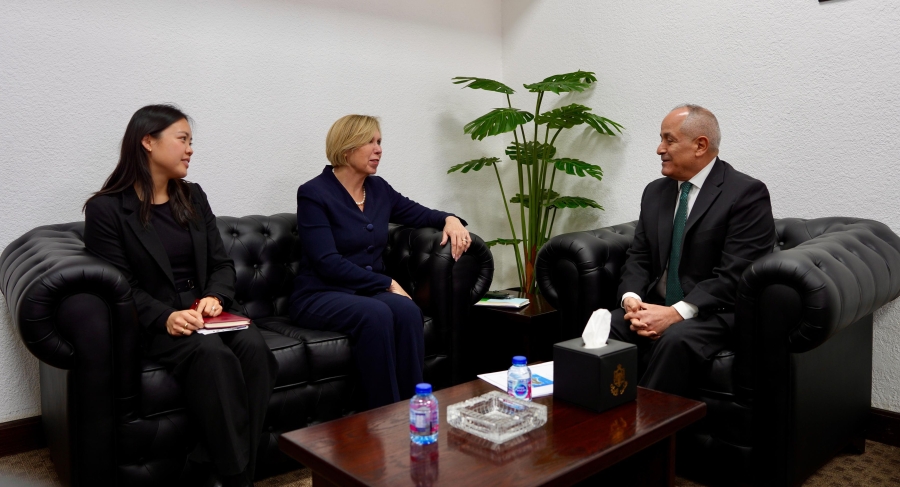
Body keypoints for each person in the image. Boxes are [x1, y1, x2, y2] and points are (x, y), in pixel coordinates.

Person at [83, 104, 278, 487]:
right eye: (182, 139)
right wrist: (166, 317)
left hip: (208, 312)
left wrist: (216, 297)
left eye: (191, 140)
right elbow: (122, 287)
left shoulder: (193, 196)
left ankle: (208, 462)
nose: (190, 149)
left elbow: (221, 264)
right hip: (157, 321)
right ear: (148, 141)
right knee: (213, 357)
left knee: (255, 350)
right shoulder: (107, 209)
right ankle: (239, 480)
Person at [289, 114, 471, 409]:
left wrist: (451, 219)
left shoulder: (378, 189)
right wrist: (386, 282)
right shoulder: (314, 193)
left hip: (365, 291)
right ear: (346, 148)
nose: (379, 149)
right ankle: (382, 417)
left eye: (380, 142)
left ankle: (414, 408)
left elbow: (421, 214)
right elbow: (326, 262)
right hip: (320, 293)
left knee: (408, 311)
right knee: (376, 314)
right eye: (370, 142)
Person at [608, 104, 776, 397]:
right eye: (661, 139)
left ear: (700, 145)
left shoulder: (746, 194)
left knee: (676, 339)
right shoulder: (655, 192)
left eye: (669, 140)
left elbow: (735, 275)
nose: (659, 149)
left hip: (715, 312)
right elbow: (640, 256)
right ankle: (597, 419)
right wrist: (632, 299)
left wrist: (675, 313)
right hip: (656, 304)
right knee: (608, 325)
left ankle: (645, 424)